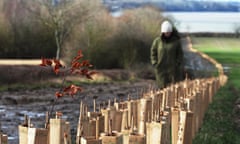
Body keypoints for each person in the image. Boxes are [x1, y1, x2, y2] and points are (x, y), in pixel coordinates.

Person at [150, 20, 184, 89]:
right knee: (162, 88)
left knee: (173, 88)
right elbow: (153, 52)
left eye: (169, 32)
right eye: (166, 32)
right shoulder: (157, 41)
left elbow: (180, 54)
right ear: (163, 32)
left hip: (173, 70)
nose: (167, 33)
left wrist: (177, 63)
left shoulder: (176, 42)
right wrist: (155, 63)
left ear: (171, 32)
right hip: (161, 69)